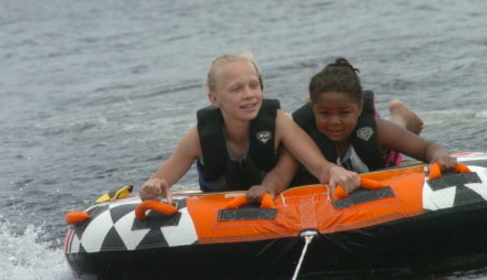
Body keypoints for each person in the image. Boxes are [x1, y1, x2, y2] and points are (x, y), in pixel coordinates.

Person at [138, 51, 359, 203]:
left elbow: (321, 167)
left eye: (254, 85)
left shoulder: (279, 123)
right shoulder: (198, 137)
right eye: (236, 89)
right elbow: (158, 182)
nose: (249, 95)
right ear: (214, 99)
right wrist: (152, 188)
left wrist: (335, 171)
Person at [288, 57, 456, 186]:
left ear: (360, 108)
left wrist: (440, 157)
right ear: (313, 109)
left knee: (391, 132)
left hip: (380, 153)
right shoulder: (302, 136)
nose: (334, 121)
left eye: (344, 113)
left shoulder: (378, 131)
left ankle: (401, 115)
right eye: (325, 113)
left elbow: (428, 147)